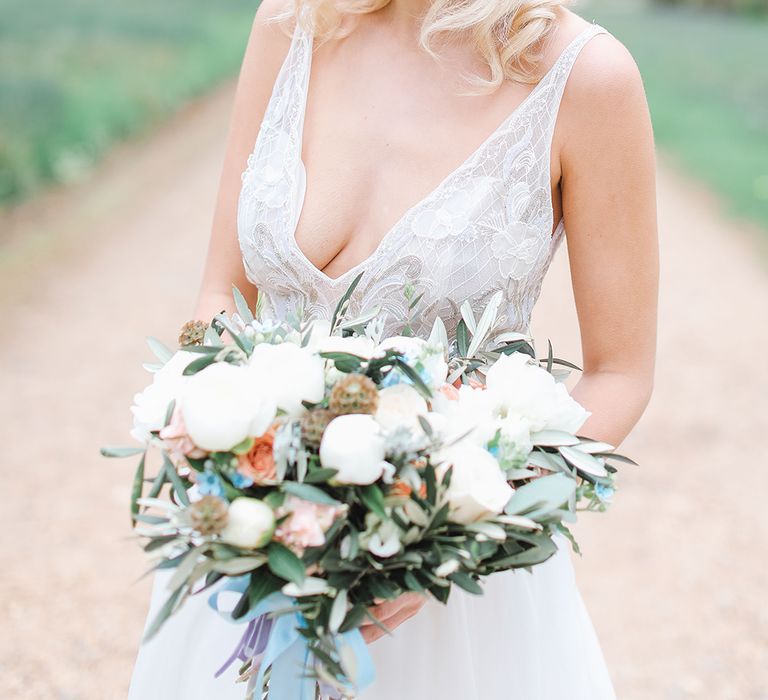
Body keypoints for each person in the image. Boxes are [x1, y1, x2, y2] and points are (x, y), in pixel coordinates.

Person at [128, 0, 657, 697]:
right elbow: (221, 290)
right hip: (259, 540)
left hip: (450, 591)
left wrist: (450, 531)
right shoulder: (292, 22)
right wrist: (208, 425)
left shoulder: (587, 76)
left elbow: (620, 373)